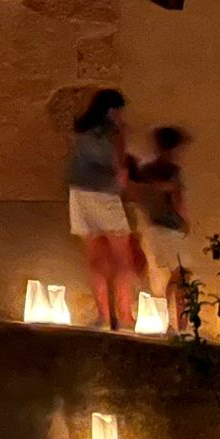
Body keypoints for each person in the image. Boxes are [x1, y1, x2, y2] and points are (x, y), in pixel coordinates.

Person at [66, 88, 136, 330]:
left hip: (79, 194)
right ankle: (126, 317)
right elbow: (121, 170)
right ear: (112, 110)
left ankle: (103, 317)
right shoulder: (114, 132)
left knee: (96, 259)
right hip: (105, 194)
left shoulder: (81, 130)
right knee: (123, 260)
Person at [127, 125, 191, 328]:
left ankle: (164, 318)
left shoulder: (144, 171)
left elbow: (136, 196)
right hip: (170, 228)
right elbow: (178, 201)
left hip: (151, 227)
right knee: (181, 277)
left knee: (163, 276)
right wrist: (186, 222)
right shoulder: (171, 172)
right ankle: (180, 323)